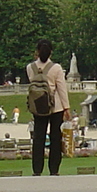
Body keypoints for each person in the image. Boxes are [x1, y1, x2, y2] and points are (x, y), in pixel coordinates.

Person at [26, 39, 71, 176]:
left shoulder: (30, 68)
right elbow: (61, 89)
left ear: (37, 52)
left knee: (38, 138)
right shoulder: (56, 68)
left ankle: (37, 169)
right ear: (51, 52)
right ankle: (54, 169)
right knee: (55, 138)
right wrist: (66, 107)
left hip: (38, 105)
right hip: (55, 106)